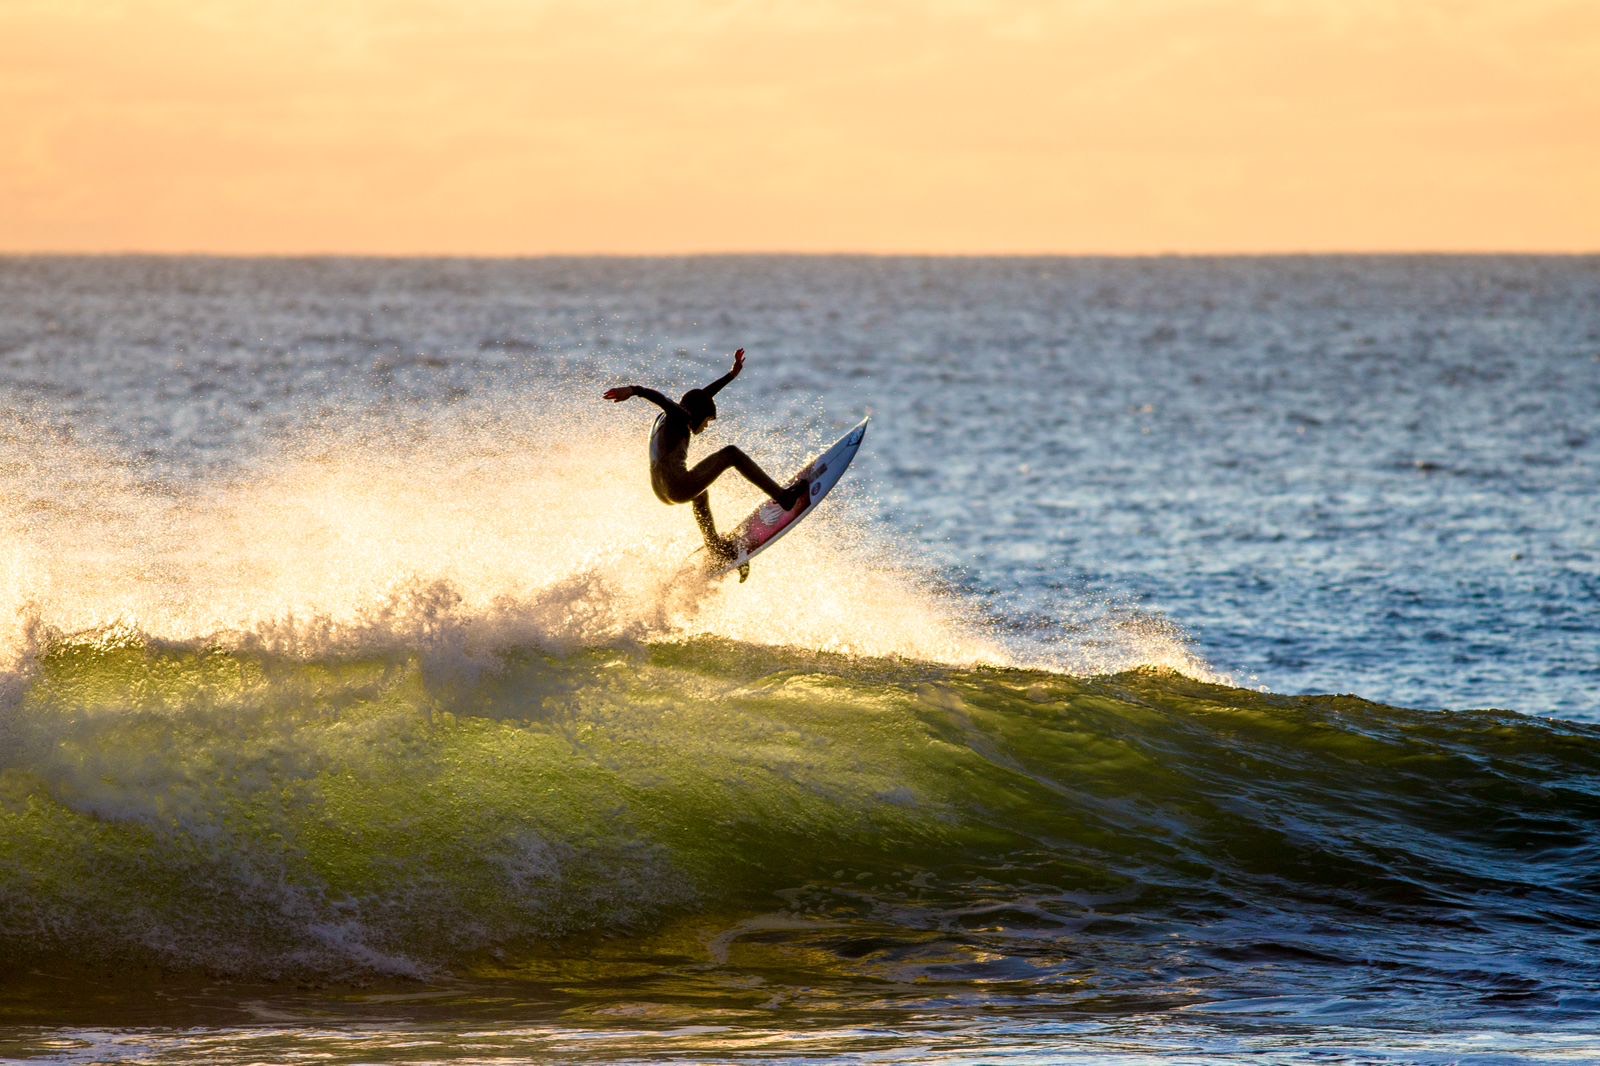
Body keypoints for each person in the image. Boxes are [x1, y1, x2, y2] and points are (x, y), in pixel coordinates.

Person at [604, 348, 807, 566]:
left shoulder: (670, 417)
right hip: (677, 487)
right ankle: (784, 498)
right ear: (698, 415)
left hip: (661, 491)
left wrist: (731, 375)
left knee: (700, 494)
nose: (706, 426)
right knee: (731, 454)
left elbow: (700, 398)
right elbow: (661, 398)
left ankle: (714, 546)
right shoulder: (679, 416)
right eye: (708, 420)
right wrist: (634, 390)